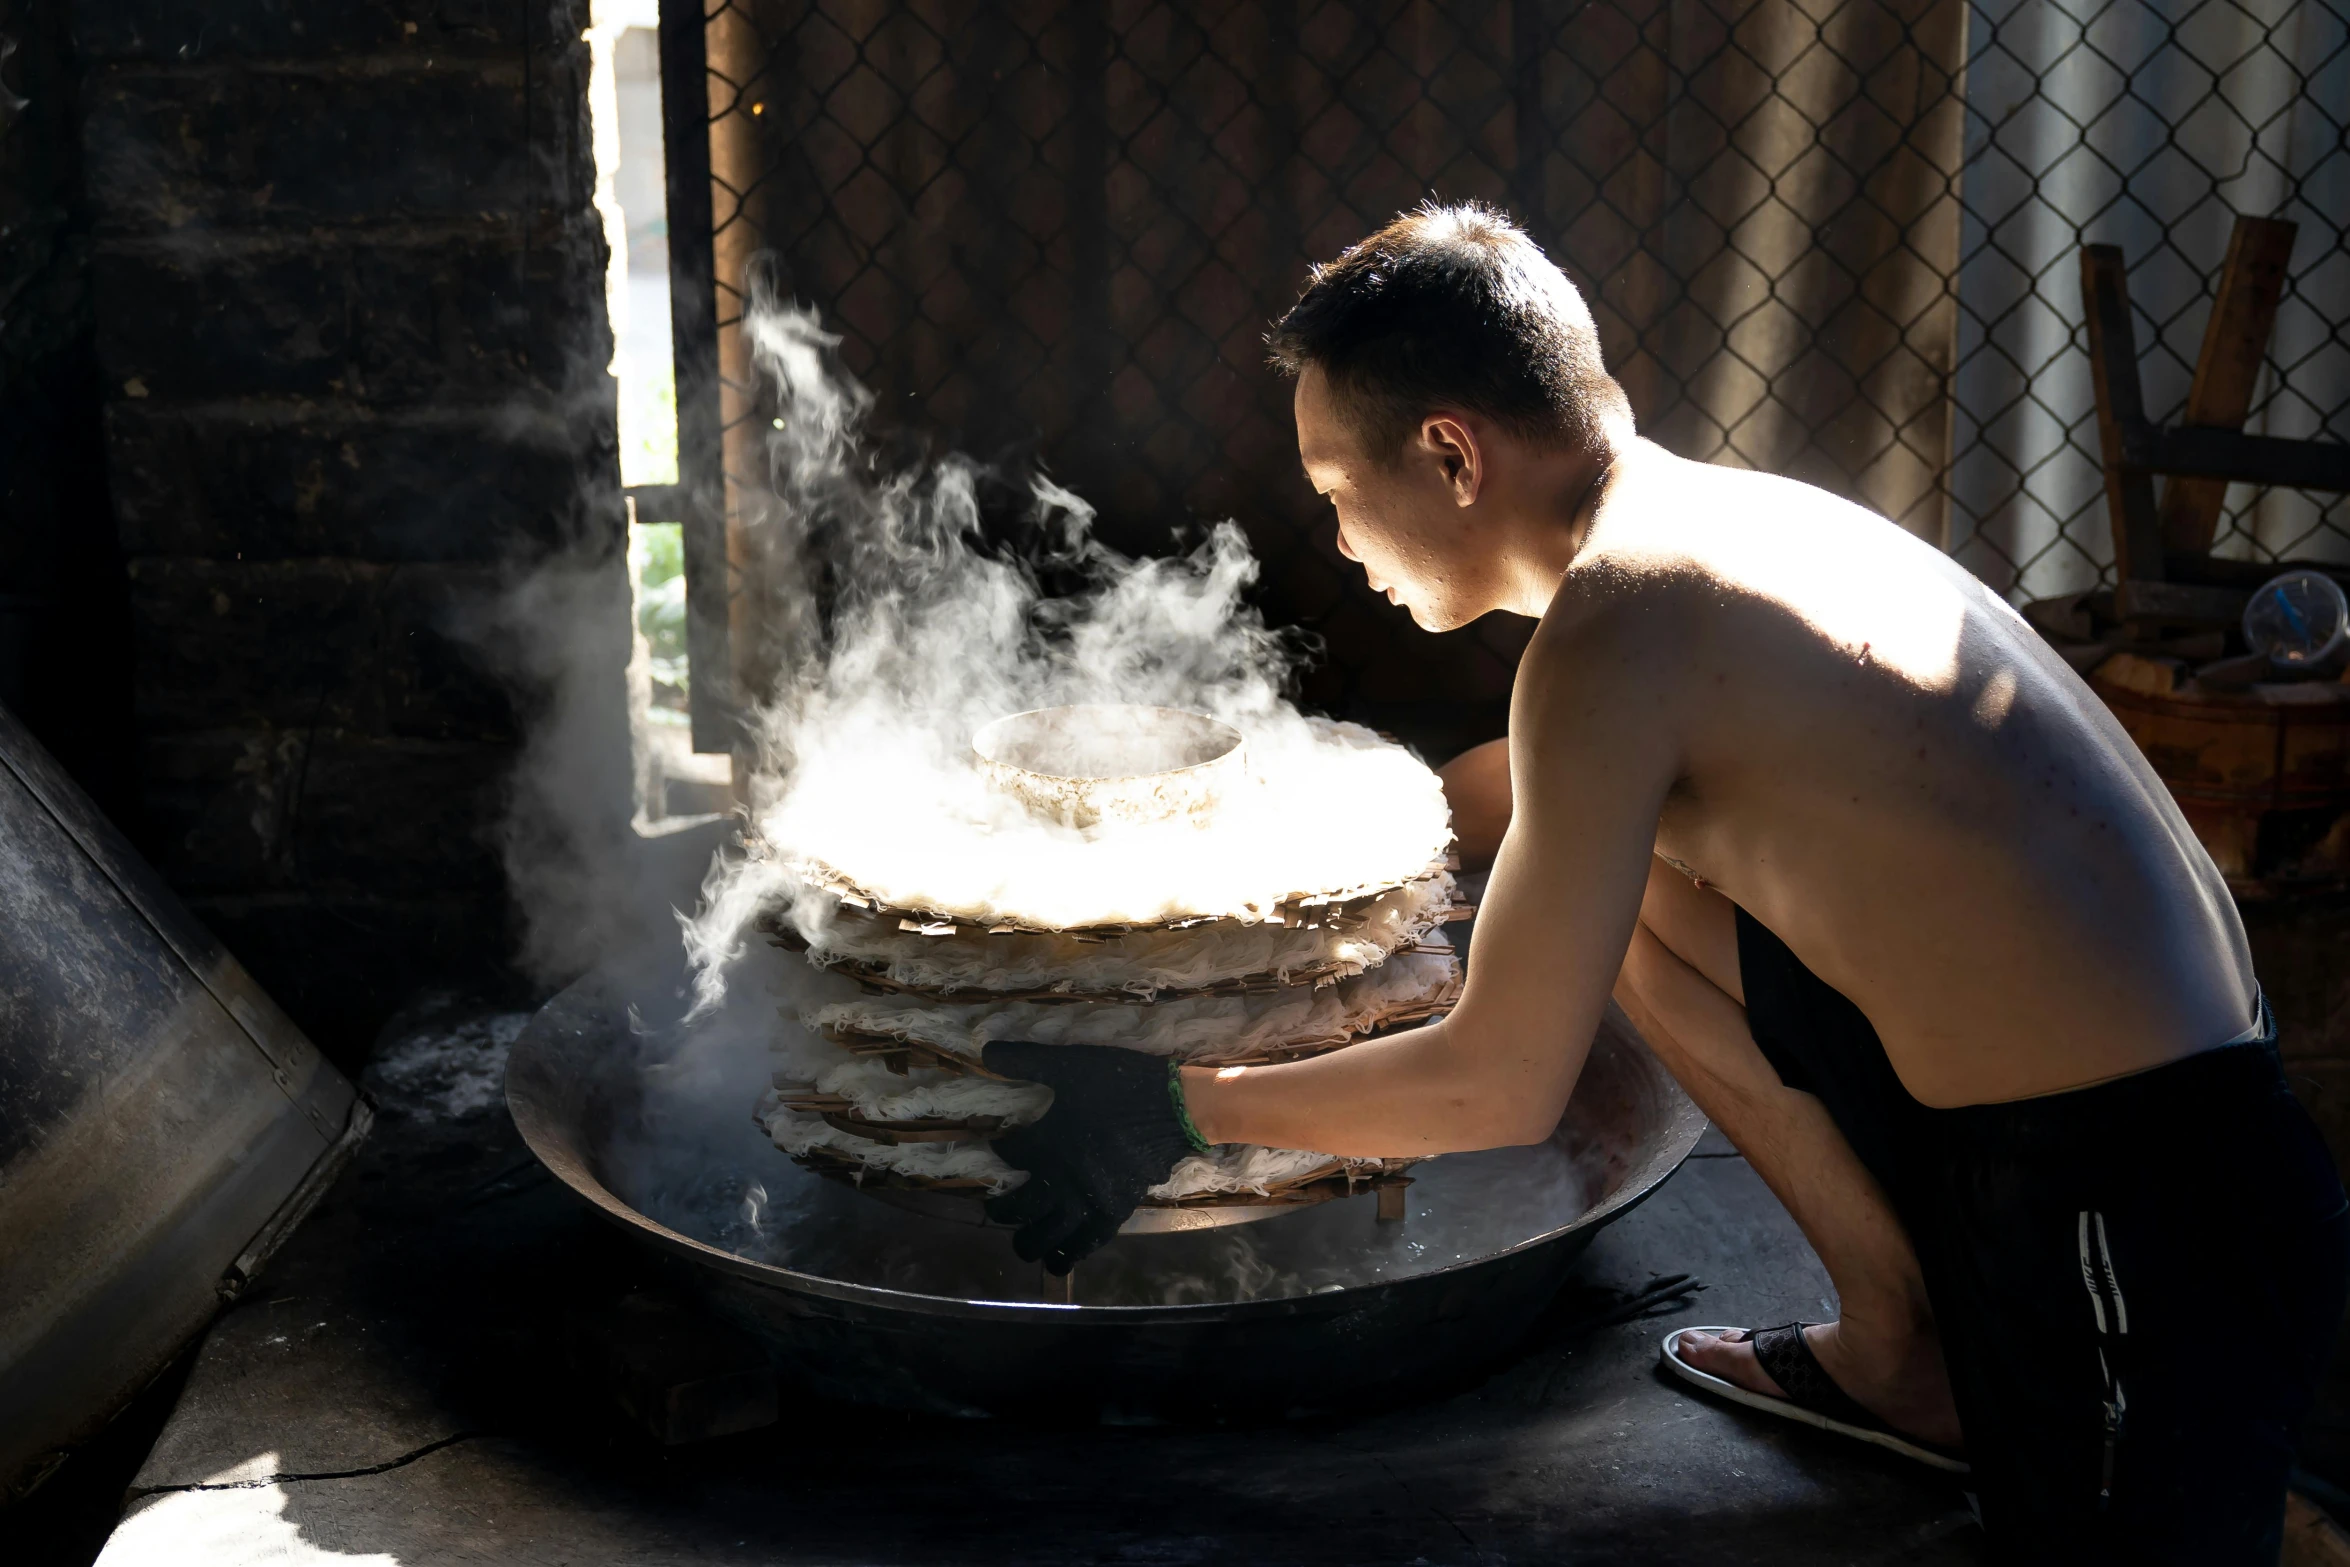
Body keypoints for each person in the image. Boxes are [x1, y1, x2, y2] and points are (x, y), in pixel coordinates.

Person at [979, 201, 2349, 1562]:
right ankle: (1901, 1354)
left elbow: (1494, 1086)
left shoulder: (1609, 636)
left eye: (1338, 492)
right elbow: (1508, 799)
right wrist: (1220, 852)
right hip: (2108, 1124)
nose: (1339, 541)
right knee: (1607, 893)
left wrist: (1174, 1103)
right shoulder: (1702, 537)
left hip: (2149, 1204)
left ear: (1450, 455)